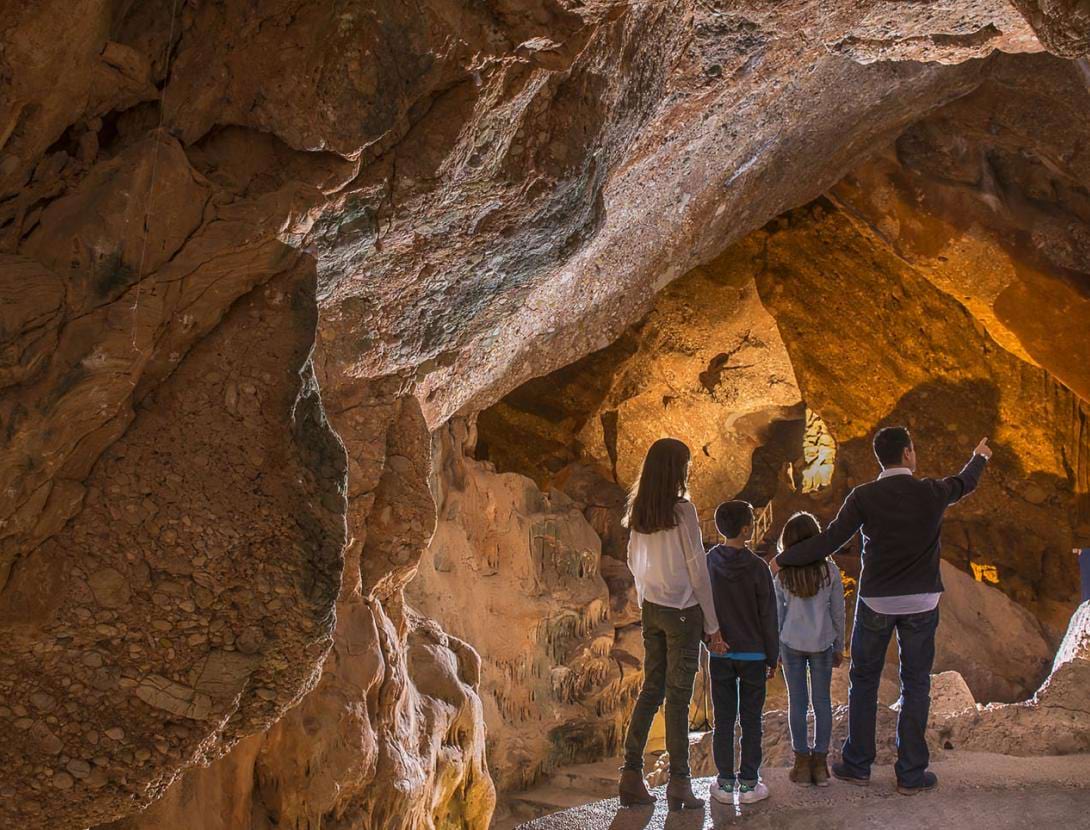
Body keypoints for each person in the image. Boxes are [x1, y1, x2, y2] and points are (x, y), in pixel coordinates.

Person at [773, 427, 991, 796]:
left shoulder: (864, 496)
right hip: (922, 600)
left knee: (865, 679)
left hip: (877, 600)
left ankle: (857, 764)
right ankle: (910, 773)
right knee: (917, 683)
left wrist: (784, 559)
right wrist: (979, 457)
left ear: (880, 457)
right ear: (907, 453)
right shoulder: (931, 491)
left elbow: (830, 540)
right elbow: (965, 482)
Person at [620, 437, 728, 811]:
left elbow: (634, 562)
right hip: (683, 612)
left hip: (653, 610)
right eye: (686, 463)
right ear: (676, 470)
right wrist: (712, 625)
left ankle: (631, 775)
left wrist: (646, 604)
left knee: (652, 691)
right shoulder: (682, 511)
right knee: (679, 698)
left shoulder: (640, 512)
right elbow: (698, 568)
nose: (689, 470)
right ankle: (680, 784)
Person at [705, 500, 778, 805]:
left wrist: (708, 640)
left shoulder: (708, 563)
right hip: (753, 655)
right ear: (748, 529)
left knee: (723, 720)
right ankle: (749, 783)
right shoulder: (759, 567)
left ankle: (723, 783)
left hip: (720, 652)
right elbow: (768, 615)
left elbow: (700, 603)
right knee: (751, 720)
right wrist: (772, 656)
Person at [773, 512, 846, 788]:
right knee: (822, 702)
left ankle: (801, 765)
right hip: (822, 643)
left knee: (798, 703)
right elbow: (838, 611)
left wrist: (776, 649)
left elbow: (776, 615)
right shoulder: (829, 570)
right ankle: (821, 766)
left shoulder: (783, 574)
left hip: (790, 643)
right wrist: (839, 645)